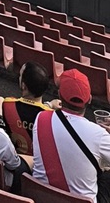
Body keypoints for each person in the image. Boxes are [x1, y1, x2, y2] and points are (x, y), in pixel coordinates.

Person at [32, 69, 110, 202]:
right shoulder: (99, 135)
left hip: (41, 197)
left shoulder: (41, 118)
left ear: (59, 95)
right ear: (89, 99)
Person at [0, 61, 61, 156]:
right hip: (37, 161)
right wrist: (49, 105)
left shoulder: (6, 104)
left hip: (10, 157)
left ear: (23, 86)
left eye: (20, 75)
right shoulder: (53, 117)